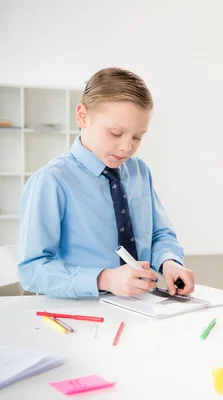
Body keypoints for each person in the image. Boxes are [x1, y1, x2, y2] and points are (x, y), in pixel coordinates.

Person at [18, 67, 195, 299]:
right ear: (83, 116)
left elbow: (160, 233)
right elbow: (32, 271)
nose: (126, 147)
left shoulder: (139, 171)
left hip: (142, 306)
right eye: (115, 132)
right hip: (81, 313)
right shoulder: (51, 181)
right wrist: (104, 278)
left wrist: (169, 261)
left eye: (137, 137)